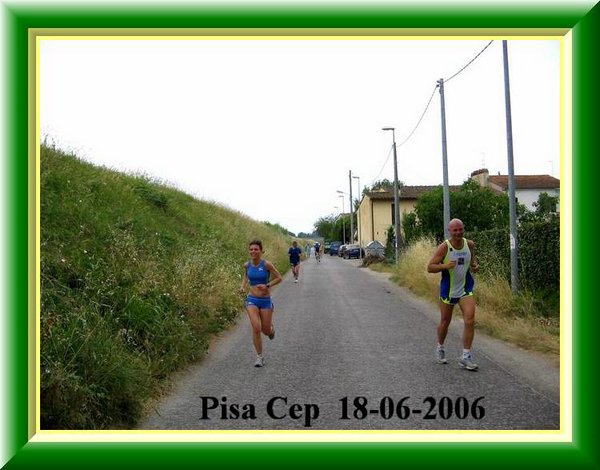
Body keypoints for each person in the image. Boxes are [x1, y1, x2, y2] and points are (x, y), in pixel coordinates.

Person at [427, 218, 480, 370]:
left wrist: (475, 267)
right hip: (448, 289)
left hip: (465, 288)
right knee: (445, 321)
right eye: (455, 230)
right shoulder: (445, 247)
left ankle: (466, 356)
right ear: (449, 231)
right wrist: (445, 266)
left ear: (463, 229)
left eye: (460, 229)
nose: (458, 232)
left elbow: (472, 262)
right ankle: (440, 347)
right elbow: (430, 267)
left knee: (470, 319)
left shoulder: (470, 244)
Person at [239, 239, 283, 367]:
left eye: (256, 249)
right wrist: (242, 287)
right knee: (256, 327)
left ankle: (270, 330)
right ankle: (259, 357)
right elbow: (246, 277)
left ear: (261, 251)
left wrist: (267, 285)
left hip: (265, 300)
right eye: (251, 249)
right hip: (252, 299)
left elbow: (279, 278)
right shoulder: (247, 265)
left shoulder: (266, 264)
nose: (253, 251)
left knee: (265, 330)